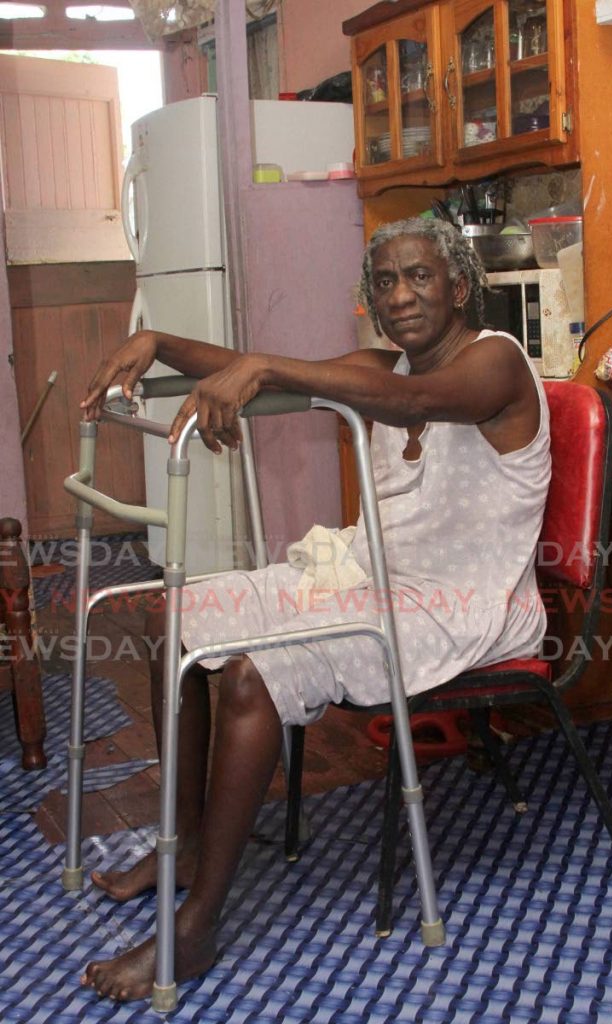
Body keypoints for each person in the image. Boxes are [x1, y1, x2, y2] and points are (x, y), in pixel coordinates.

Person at [79, 217, 551, 1001]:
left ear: (461, 287)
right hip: (368, 578)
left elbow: (408, 402)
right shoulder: (386, 363)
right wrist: (159, 340)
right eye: (386, 283)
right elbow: (249, 370)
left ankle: (195, 928)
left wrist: (266, 366)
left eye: (420, 277)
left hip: (462, 606)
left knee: (252, 676)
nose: (400, 295)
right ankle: (188, 843)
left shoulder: (495, 363)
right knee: (178, 620)